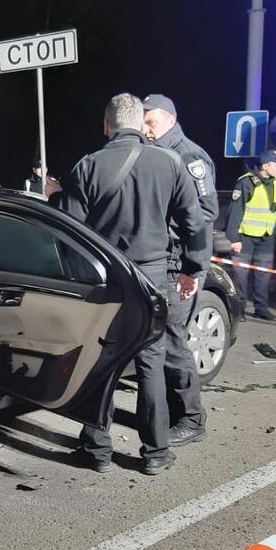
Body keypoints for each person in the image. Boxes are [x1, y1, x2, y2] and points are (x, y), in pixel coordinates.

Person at [54, 93, 205, 475]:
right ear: (140, 125)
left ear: (106, 125)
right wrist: (192, 269)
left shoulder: (87, 166)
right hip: (153, 278)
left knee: (99, 362)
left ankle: (96, 450)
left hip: (106, 279)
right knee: (150, 361)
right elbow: (195, 224)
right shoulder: (169, 164)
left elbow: (70, 233)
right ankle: (155, 453)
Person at [142, 93, 215, 447]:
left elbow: (204, 214)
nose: (144, 127)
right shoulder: (157, 154)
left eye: (150, 120)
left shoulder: (189, 156)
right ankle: (173, 412)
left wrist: (172, 244)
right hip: (164, 262)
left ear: (170, 118)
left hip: (179, 265)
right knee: (162, 339)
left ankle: (191, 418)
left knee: (173, 339)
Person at [226, 148, 276, 321]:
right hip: (245, 238)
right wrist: (234, 239)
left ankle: (261, 308)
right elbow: (235, 211)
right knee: (240, 276)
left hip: (266, 237)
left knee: (263, 275)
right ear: (266, 166)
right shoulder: (246, 183)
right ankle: (240, 310)